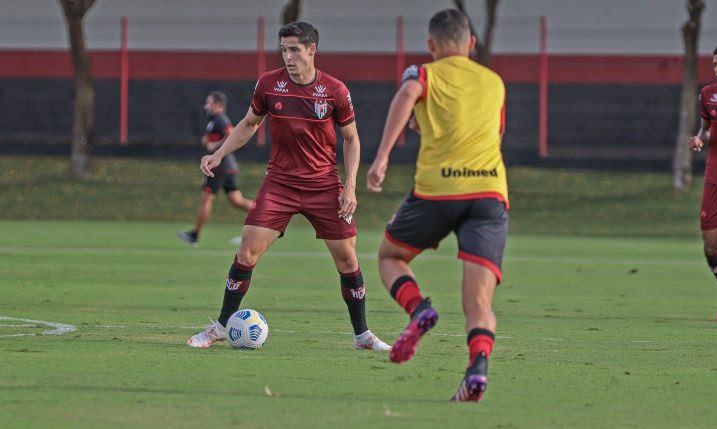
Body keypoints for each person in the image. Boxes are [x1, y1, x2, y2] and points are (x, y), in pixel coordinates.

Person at [187, 21, 390, 351]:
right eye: (284, 50)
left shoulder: (336, 90)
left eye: (295, 49)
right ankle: (221, 327)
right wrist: (219, 154)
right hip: (279, 184)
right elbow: (249, 124)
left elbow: (351, 139)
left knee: (348, 262)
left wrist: (350, 186)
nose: (288, 56)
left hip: (324, 186)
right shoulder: (269, 84)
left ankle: (362, 335)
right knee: (247, 251)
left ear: (312, 50)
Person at [366, 9, 508, 402]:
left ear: (431, 45)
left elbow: (409, 94)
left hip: (437, 192)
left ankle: (418, 310)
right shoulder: (494, 82)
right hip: (489, 194)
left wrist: (381, 159)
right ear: (471, 44)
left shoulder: (423, 73)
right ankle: (477, 367)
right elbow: (490, 132)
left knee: (390, 256)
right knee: (478, 302)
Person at [177, 92, 253, 246]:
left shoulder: (220, 119)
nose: (206, 106)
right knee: (237, 200)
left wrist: (216, 146)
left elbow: (230, 132)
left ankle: (194, 235)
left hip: (219, 167)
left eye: (209, 103)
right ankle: (267, 217)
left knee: (206, 199)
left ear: (218, 105)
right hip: (228, 166)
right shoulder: (213, 121)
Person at [689, 43, 717, 322]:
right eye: (715, 64)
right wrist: (699, 138)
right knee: (710, 246)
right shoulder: (708, 95)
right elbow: (705, 128)